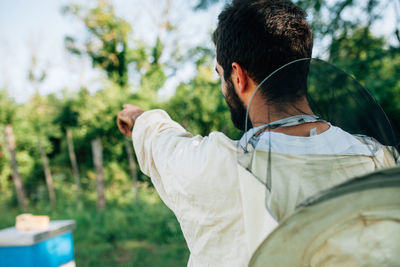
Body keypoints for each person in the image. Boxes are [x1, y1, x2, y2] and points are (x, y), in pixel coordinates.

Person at [117, 0, 397, 266]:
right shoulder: (376, 160)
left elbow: (164, 144)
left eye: (220, 74)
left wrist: (140, 117)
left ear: (237, 75)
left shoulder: (219, 168)